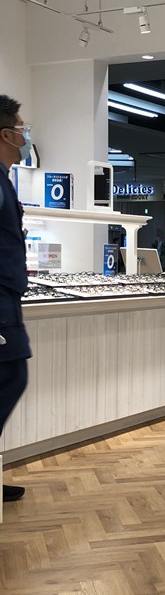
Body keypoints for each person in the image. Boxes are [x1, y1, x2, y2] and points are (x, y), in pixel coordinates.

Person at [0, 94, 33, 502]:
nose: (26, 138)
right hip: (1, 300)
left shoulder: (4, 181)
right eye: (22, 130)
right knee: (11, 376)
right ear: (6, 134)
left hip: (8, 294)